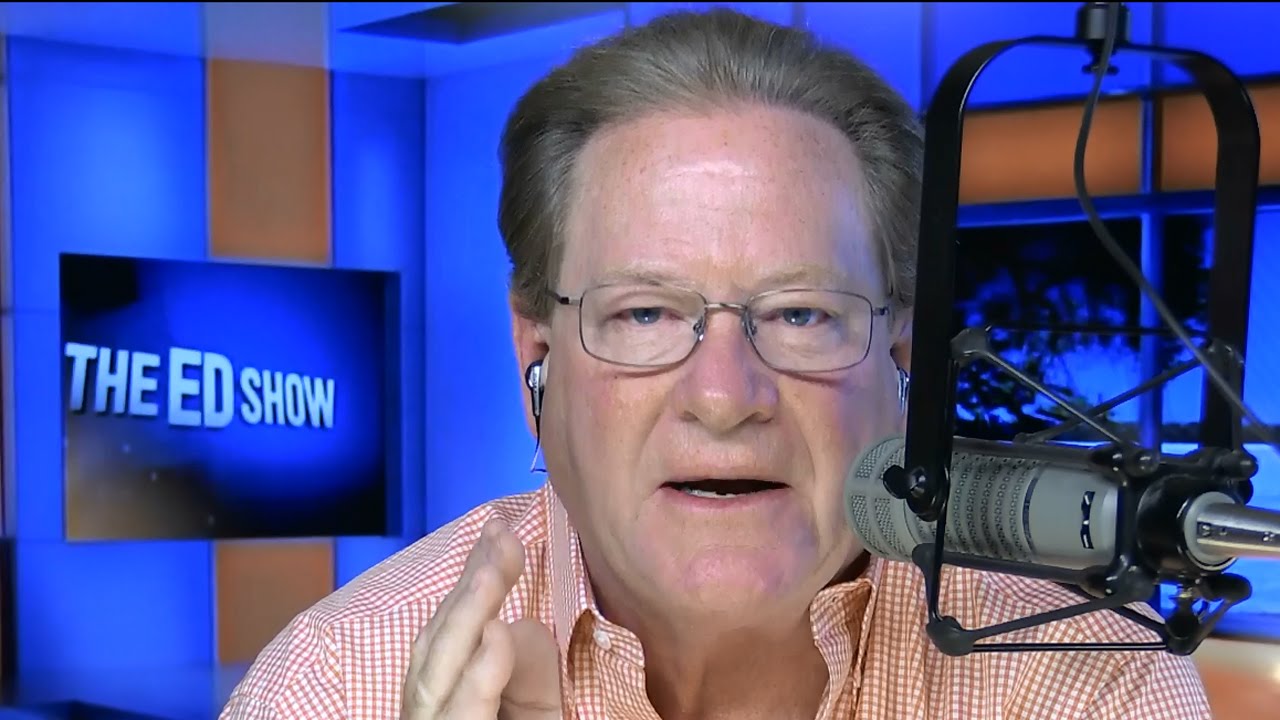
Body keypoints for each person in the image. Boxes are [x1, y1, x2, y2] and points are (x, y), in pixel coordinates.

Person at [221, 8, 1212, 720]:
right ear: (538, 367)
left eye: (800, 314)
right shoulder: (335, 683)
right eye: (645, 313)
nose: (725, 397)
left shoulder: (1087, 682)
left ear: (900, 355)